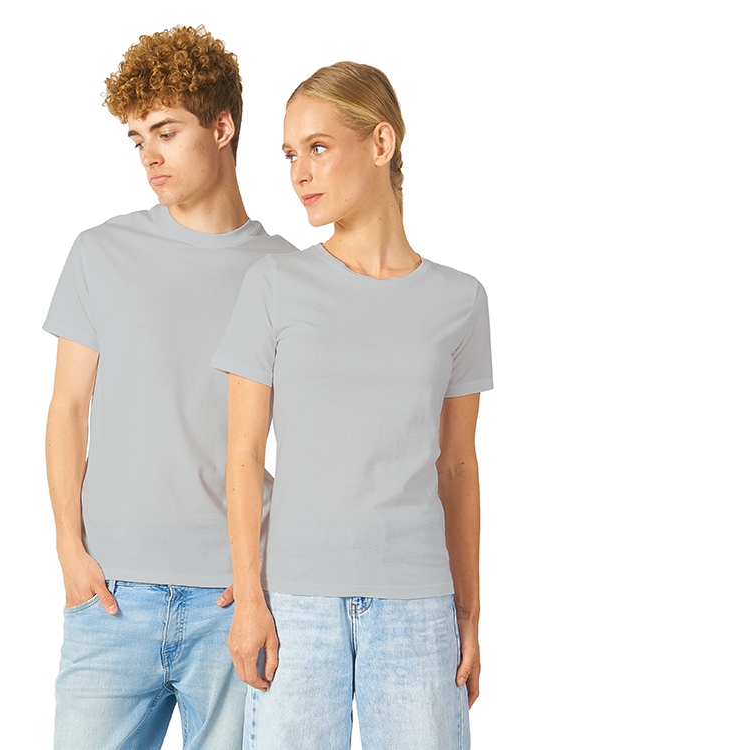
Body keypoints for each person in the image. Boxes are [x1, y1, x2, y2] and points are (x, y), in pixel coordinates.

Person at [211, 61, 492, 749]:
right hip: (296, 606)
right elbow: (242, 453)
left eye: (317, 147)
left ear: (381, 143)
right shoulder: (274, 282)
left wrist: (469, 612)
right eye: (289, 155)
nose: (299, 172)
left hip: (419, 607)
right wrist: (250, 599)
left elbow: (458, 467)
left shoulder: (460, 300)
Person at [43, 26, 296, 750]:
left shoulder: (285, 274)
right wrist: (68, 549)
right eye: (137, 138)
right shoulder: (102, 252)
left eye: (166, 131)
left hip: (236, 601)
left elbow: (310, 442)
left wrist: (264, 578)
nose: (148, 154)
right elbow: (67, 409)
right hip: (111, 598)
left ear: (223, 127)